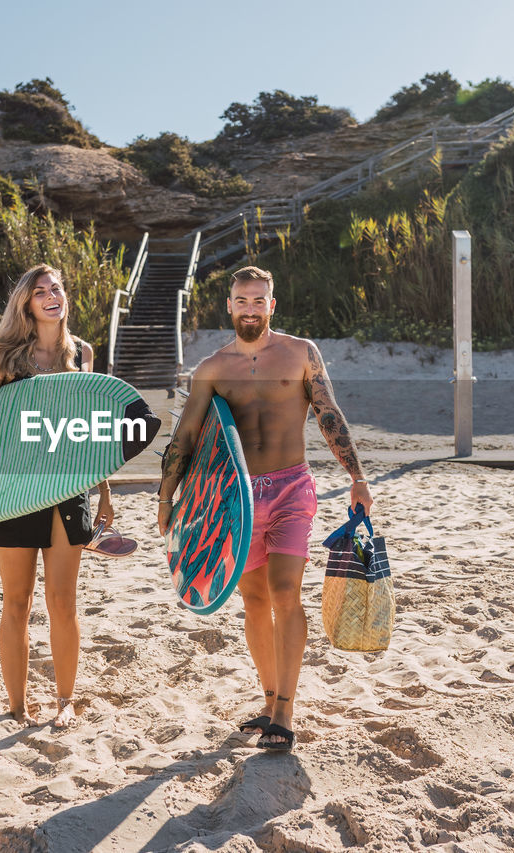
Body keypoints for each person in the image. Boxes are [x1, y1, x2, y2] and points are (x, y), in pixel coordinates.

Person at [157, 265, 373, 751]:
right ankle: (270, 698)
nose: (250, 308)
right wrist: (167, 497)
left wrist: (356, 477)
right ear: (229, 307)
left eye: (259, 300)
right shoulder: (211, 369)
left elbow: (328, 413)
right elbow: (187, 435)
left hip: (291, 490)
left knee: (283, 593)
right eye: (242, 300)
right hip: (234, 497)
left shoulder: (300, 354)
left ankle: (286, 714)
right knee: (253, 600)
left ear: (271, 306)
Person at [0, 263, 113, 729]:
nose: (51, 295)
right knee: (16, 600)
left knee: (63, 600)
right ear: (27, 303)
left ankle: (64, 701)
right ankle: (17, 706)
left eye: (56, 287)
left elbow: (92, 430)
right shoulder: (3, 357)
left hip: (67, 488)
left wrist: (103, 491)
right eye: (40, 291)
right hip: (13, 490)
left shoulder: (81, 353)